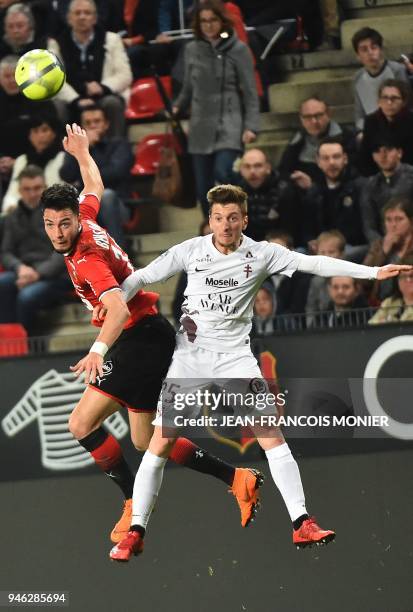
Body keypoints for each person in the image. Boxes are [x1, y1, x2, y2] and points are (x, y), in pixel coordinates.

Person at [107, 183, 411, 561]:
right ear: (210, 221)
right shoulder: (190, 250)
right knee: (160, 444)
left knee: (271, 436)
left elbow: (313, 263)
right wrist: (113, 301)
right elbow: (142, 277)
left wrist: (373, 271)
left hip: (236, 360)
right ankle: (136, 531)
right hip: (190, 360)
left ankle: (302, 523)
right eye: (218, 218)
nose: (225, 225)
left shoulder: (262, 254)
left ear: (244, 219)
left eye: (233, 217)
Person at [41, 123, 264, 546]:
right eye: (50, 224)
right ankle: (236, 478)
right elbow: (93, 184)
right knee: (147, 440)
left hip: (137, 337)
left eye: (63, 224)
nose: (57, 232)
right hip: (147, 336)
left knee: (80, 422)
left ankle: (130, 502)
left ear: (74, 221)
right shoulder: (84, 217)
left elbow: (118, 307)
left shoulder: (86, 257)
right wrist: (82, 153)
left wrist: (97, 350)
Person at [172, 0, 259, 216]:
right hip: (200, 122)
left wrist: (251, 126)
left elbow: (250, 90)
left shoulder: (238, 49)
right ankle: (211, 231)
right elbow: (188, 86)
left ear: (222, 22)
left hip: (229, 119)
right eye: (204, 21)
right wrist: (177, 106)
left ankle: (245, 216)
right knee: (203, 187)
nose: (209, 25)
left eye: (213, 20)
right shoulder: (191, 49)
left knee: (225, 171)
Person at [0, 165, 71, 334]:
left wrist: (37, 274)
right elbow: (6, 252)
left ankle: (29, 347)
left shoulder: (60, 214)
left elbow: (63, 251)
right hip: (25, 271)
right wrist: (20, 268)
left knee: (27, 297)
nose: (32, 194)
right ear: (20, 191)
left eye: (37, 188)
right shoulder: (12, 217)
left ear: (45, 188)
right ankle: (9, 341)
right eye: (27, 189)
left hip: (57, 275)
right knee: (2, 284)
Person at [49, 0, 133, 137]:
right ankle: (63, 153)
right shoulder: (56, 44)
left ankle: (116, 148)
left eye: (87, 13)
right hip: (72, 98)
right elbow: (53, 79)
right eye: (77, 13)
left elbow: (125, 75)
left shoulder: (112, 39)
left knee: (112, 103)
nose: (82, 17)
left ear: (94, 18)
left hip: (103, 96)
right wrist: (76, 100)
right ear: (69, 18)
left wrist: (102, 87)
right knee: (56, 106)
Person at [60, 104, 133, 249]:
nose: (93, 126)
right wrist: (83, 150)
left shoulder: (119, 144)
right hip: (84, 205)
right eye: (88, 123)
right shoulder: (79, 148)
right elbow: (66, 174)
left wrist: (84, 156)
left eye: (97, 121)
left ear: (106, 124)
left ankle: (119, 256)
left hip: (118, 206)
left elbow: (114, 173)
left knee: (106, 196)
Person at [301, 137, 367, 260]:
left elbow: (362, 228)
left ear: (345, 159)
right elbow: (307, 228)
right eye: (326, 158)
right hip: (321, 249)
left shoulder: (360, 187)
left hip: (350, 246)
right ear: (318, 162)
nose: (331, 162)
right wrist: (311, 241)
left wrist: (334, 243)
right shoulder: (314, 191)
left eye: (336, 157)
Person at [279, 96, 357, 187]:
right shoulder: (297, 140)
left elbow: (354, 171)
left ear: (328, 114)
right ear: (301, 119)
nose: (314, 121)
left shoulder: (346, 137)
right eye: (308, 117)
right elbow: (284, 171)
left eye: (318, 115)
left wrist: (313, 186)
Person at [238, 148, 302, 246]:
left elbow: (290, 229)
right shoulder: (236, 193)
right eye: (247, 166)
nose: (252, 171)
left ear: (268, 167)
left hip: (280, 246)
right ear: (241, 170)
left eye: (258, 166)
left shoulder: (284, 190)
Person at [3, 114, 64, 212]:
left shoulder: (63, 158)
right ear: (30, 136)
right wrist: (11, 208)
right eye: (35, 131)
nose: (40, 135)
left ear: (54, 133)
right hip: (22, 215)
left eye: (44, 130)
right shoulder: (21, 160)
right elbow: (12, 193)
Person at [351, 27, 408, 133]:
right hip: (371, 130)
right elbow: (359, 115)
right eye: (364, 50)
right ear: (358, 55)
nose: (370, 53)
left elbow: (406, 105)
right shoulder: (357, 78)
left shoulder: (397, 70)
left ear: (380, 50)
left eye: (374, 47)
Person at [360, 137, 413, 243]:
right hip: (383, 243)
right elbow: (369, 226)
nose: (383, 156)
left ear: (399, 153)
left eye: (388, 150)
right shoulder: (370, 185)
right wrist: (382, 245)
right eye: (377, 151)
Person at [363, 196, 413, 302]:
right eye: (388, 220)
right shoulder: (379, 245)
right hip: (381, 303)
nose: (393, 225)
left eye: (399, 219)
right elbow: (363, 280)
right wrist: (383, 252)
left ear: (411, 221)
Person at [359, 79, 413, 177]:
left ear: (404, 102)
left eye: (394, 98)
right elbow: (365, 156)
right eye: (385, 98)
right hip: (378, 176)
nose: (389, 102)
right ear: (379, 102)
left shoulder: (410, 121)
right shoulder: (371, 121)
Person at [305, 230, 346, 325]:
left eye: (331, 252)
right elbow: (311, 308)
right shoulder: (316, 281)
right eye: (322, 252)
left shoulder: (351, 277)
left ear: (342, 254)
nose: (326, 257)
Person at [369, 256, 413, 324]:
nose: (408, 280)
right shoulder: (389, 302)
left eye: (412, 276)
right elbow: (372, 325)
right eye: (403, 277)